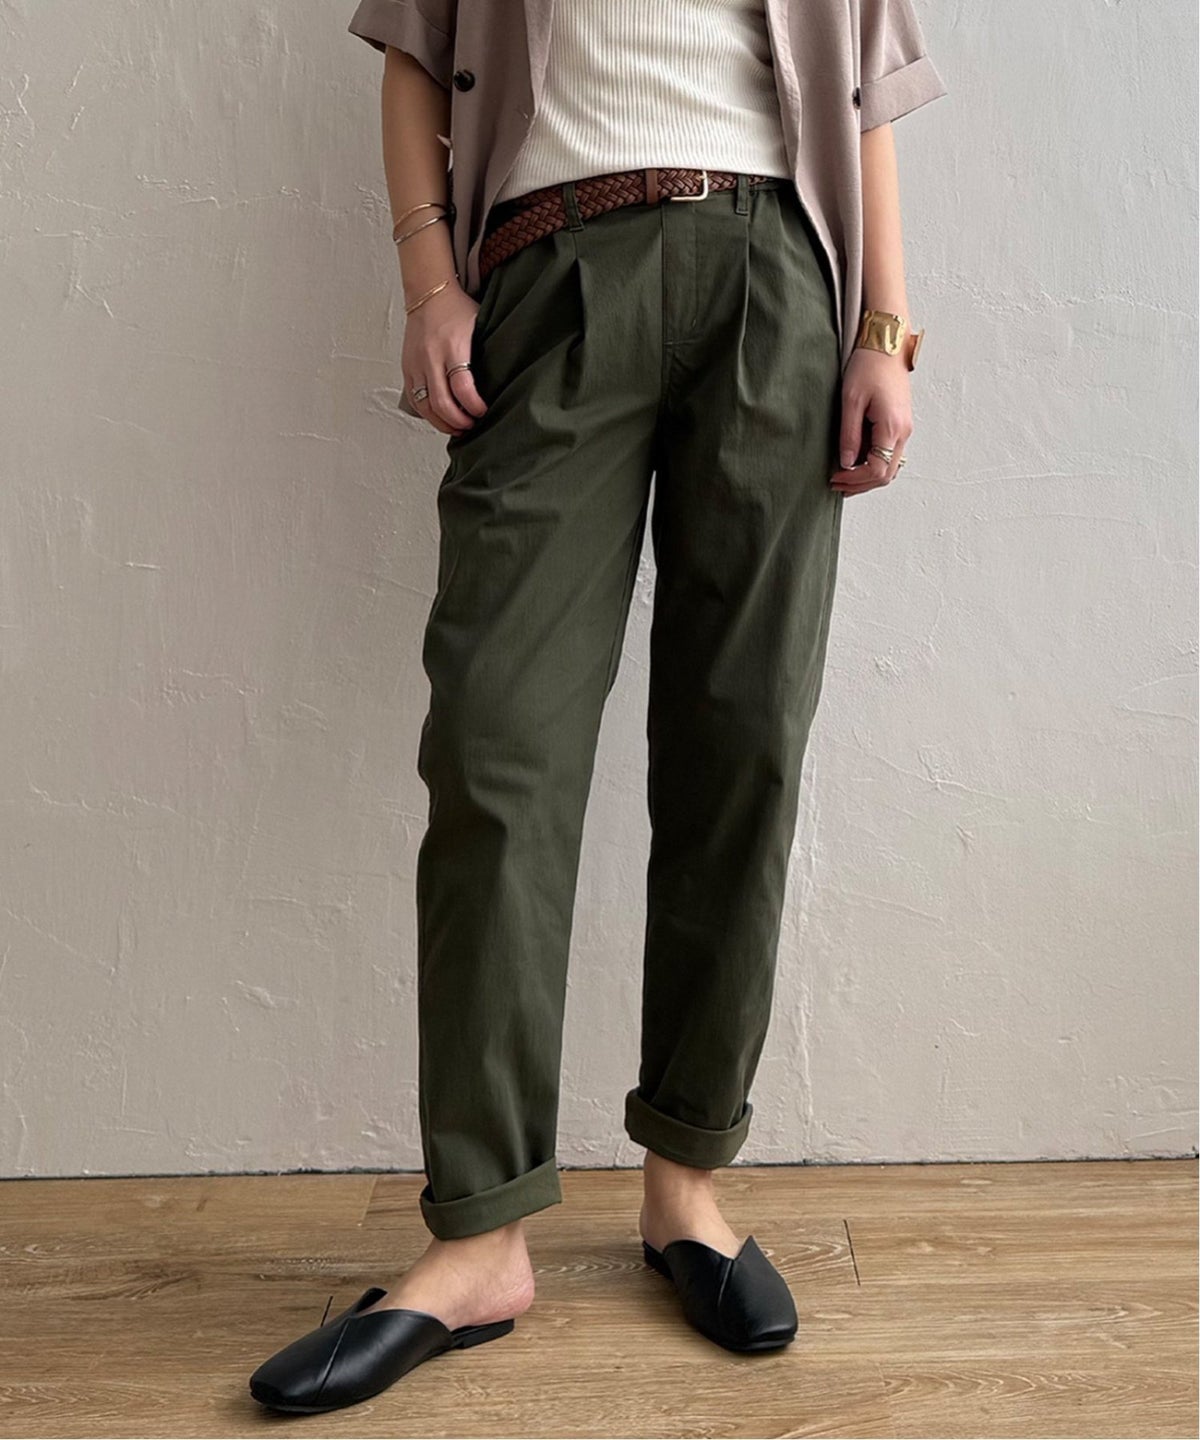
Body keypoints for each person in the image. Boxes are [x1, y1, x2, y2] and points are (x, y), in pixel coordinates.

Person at [249, 0, 947, 1414]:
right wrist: (429, 284)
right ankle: (480, 1235)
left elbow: (863, 95)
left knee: (743, 744)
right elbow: (413, 57)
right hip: (551, 269)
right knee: (496, 747)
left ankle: (687, 1185)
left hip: (773, 276)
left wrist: (884, 326)